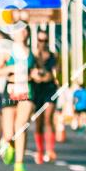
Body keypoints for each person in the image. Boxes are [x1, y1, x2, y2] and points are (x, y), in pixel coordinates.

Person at [0, 25, 35, 171]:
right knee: (9, 133)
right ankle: (9, 144)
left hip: (27, 90)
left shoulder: (32, 52)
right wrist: (10, 69)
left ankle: (19, 163)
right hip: (11, 90)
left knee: (21, 126)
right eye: (19, 29)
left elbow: (38, 70)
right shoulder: (7, 52)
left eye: (25, 29)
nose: (22, 32)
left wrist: (35, 74)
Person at [31, 29, 59, 163]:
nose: (43, 42)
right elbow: (30, 73)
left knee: (48, 118)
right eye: (40, 40)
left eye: (45, 40)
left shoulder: (53, 56)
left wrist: (50, 75)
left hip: (50, 89)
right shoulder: (32, 55)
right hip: (36, 90)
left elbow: (55, 73)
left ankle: (50, 150)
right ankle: (40, 151)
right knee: (39, 121)